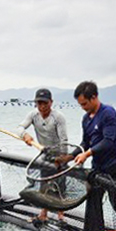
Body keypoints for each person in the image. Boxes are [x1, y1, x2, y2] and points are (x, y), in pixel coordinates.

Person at [72, 80, 116, 230]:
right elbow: (85, 142)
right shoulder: (86, 119)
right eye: (80, 105)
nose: (83, 108)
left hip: (113, 165)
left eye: (85, 103)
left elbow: (108, 141)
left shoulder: (108, 113)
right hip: (97, 167)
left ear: (94, 97)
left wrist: (87, 154)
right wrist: (69, 156)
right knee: (93, 199)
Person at [18, 88, 68, 223]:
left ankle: (61, 215)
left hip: (59, 154)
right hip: (44, 154)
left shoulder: (58, 117)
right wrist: (25, 135)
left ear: (51, 103)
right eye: (39, 103)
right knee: (43, 184)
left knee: (60, 186)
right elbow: (20, 128)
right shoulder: (33, 115)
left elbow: (64, 140)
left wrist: (61, 158)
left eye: (44, 103)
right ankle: (44, 213)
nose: (42, 106)